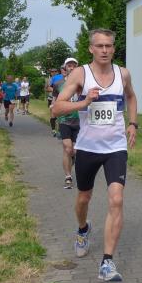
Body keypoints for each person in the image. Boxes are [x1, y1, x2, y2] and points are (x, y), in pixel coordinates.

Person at [52, 29, 138, 282]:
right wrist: (83, 102)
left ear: (113, 48)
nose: (104, 50)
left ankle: (107, 262)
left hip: (115, 148)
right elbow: (57, 108)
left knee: (117, 199)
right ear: (91, 48)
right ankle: (82, 229)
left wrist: (133, 123)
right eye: (99, 46)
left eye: (108, 46)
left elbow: (131, 96)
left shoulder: (123, 74)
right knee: (84, 197)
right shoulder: (81, 74)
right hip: (88, 147)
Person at [55, 57, 80, 189]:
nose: (72, 67)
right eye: (69, 65)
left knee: (75, 150)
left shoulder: (82, 82)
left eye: (74, 65)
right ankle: (68, 177)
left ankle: (72, 158)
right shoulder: (59, 83)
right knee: (67, 148)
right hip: (64, 120)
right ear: (65, 68)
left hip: (79, 120)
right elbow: (55, 100)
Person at [48, 67, 65, 137]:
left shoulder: (72, 77)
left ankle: (60, 130)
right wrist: (57, 90)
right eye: (63, 69)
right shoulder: (55, 78)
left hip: (64, 99)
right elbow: (49, 87)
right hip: (54, 97)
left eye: (55, 71)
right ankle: (53, 130)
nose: (64, 70)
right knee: (53, 114)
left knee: (61, 115)